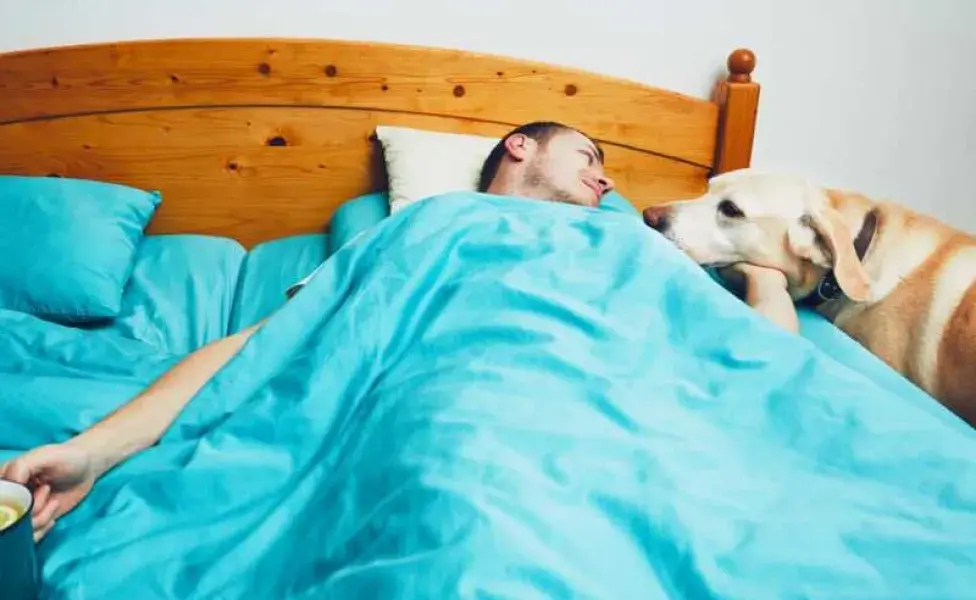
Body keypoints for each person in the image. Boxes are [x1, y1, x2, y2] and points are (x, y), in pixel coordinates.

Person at [0, 121, 796, 542]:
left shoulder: (626, 240)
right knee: (458, 490)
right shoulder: (423, 226)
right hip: (447, 405)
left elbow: (763, 357)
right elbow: (265, 345)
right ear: (520, 147)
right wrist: (96, 450)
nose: (606, 177)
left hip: (599, 409)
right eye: (587, 155)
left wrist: (766, 272)